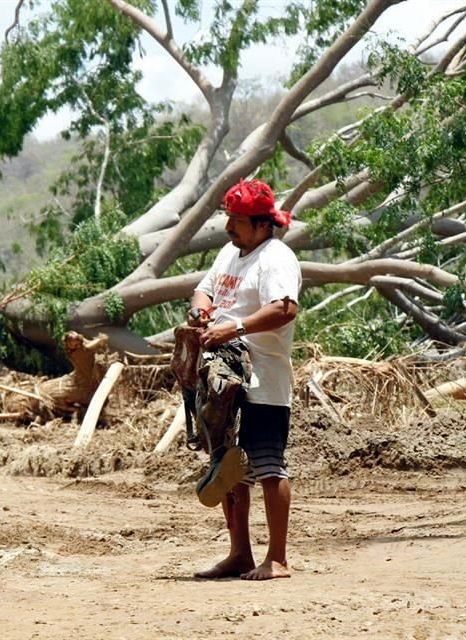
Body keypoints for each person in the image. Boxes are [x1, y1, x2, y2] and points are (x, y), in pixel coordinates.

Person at [189, 178, 301, 581]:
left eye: (235, 221)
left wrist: (231, 328)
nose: (227, 228)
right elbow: (203, 291)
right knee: (229, 469)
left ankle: (278, 559)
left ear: (260, 224)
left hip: (263, 381)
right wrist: (202, 313)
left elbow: (285, 309)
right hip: (223, 378)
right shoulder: (230, 253)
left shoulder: (277, 258)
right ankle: (240, 554)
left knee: (269, 466)